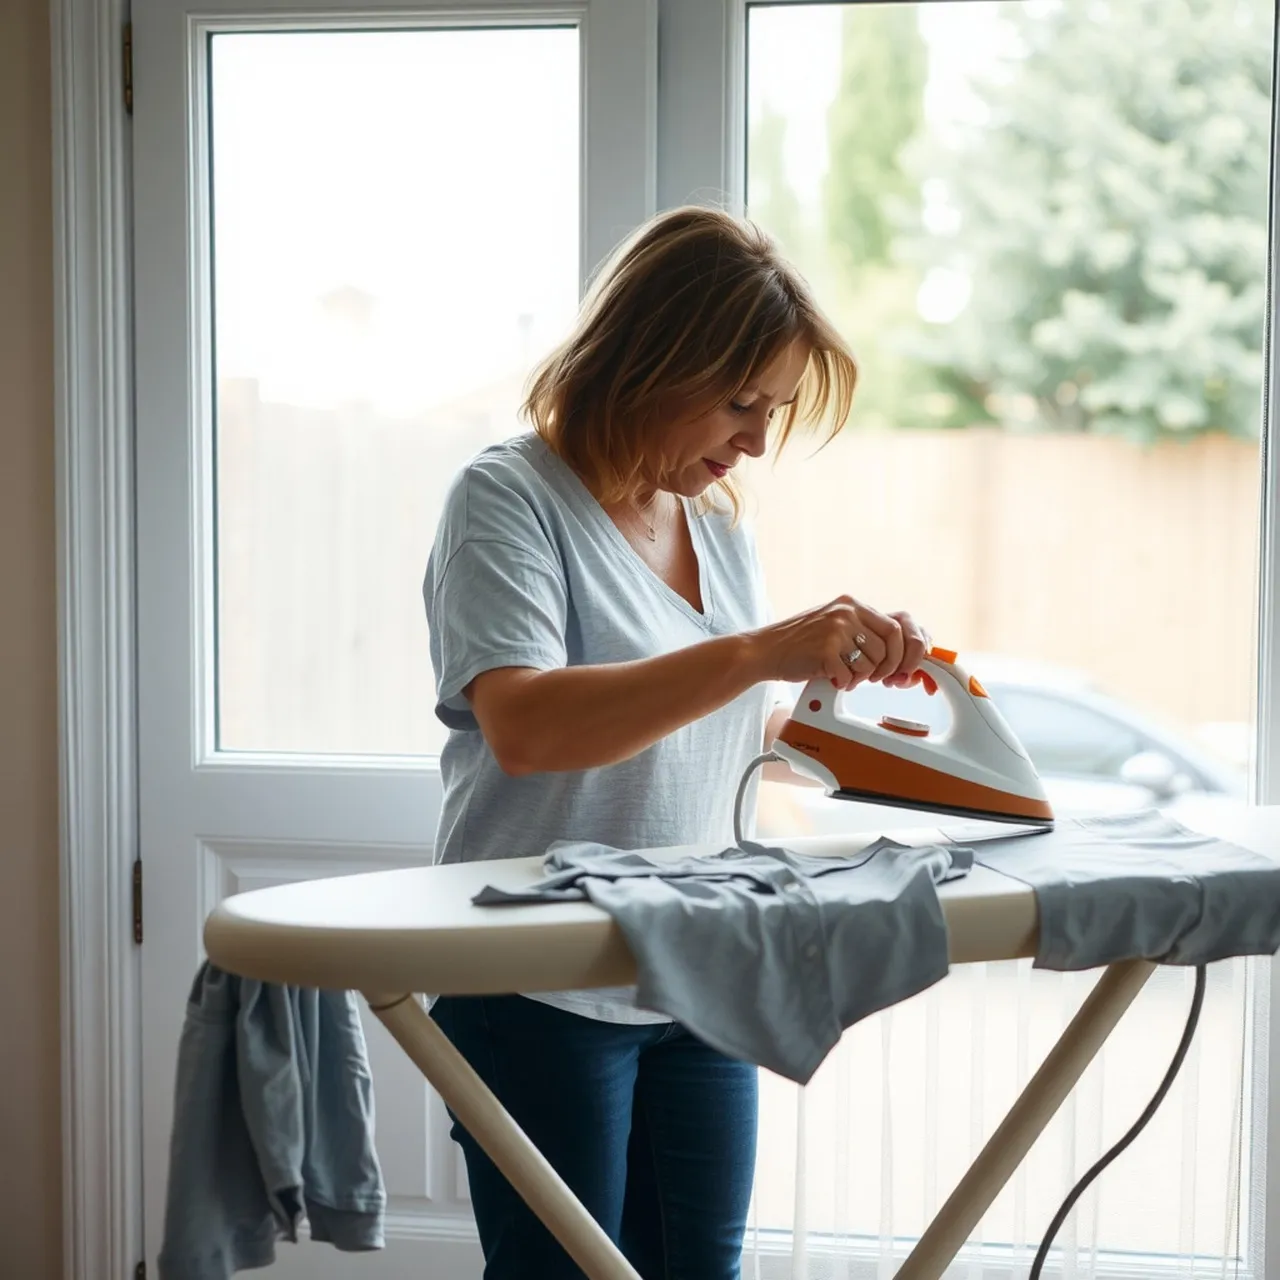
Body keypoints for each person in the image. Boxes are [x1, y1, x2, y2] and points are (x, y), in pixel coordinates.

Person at [422, 205, 932, 1280]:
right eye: (739, 402)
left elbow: (725, 731)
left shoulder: (713, 524)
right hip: (538, 980)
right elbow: (525, 725)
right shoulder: (508, 498)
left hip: (696, 963)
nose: (754, 440)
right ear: (649, 359)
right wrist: (758, 650)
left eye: (774, 410)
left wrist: (862, 700)